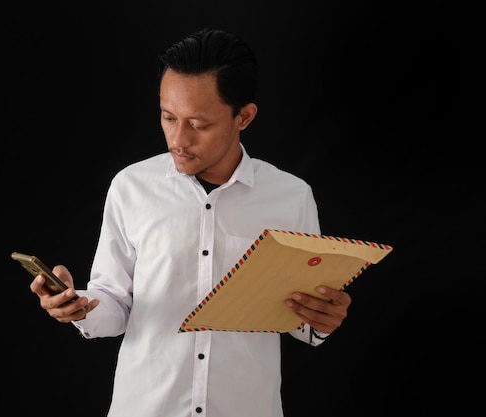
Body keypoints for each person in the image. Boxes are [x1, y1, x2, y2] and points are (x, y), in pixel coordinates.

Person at [29, 28, 352, 417]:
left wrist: (324, 318)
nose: (178, 139)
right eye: (168, 117)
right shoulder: (132, 187)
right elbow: (115, 301)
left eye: (198, 124)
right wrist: (81, 308)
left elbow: (300, 318)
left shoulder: (291, 196)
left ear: (244, 117)